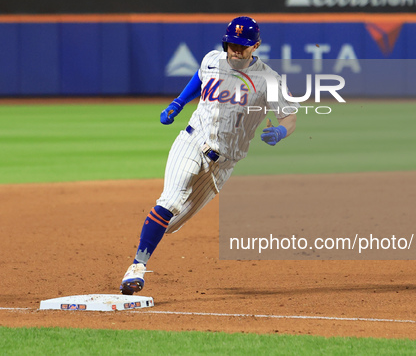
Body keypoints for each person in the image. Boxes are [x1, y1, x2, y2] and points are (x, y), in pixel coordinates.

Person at [120, 16, 298, 295]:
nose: (235, 51)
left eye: (242, 46)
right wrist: (178, 103)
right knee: (169, 200)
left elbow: (290, 117)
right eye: (231, 44)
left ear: (256, 46)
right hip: (192, 140)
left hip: (223, 164)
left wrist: (280, 133)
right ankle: (137, 267)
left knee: (169, 224)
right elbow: (200, 77)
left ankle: (149, 240)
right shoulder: (212, 59)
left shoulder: (268, 80)